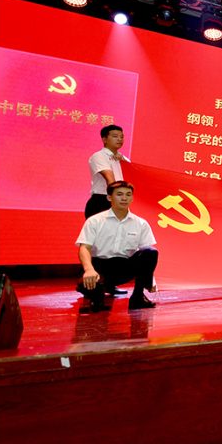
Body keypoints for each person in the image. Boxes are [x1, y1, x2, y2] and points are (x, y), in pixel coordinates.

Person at [75, 181, 158, 313]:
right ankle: (96, 296)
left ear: (132, 198)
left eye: (128, 195)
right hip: (99, 266)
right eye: (119, 194)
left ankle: (138, 297)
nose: (124, 198)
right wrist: (89, 270)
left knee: (151, 251)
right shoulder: (95, 221)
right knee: (92, 293)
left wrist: (150, 279)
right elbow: (84, 247)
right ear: (109, 197)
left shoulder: (141, 223)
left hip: (124, 266)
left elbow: (147, 256)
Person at [86, 124, 127, 219]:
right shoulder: (99, 156)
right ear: (104, 139)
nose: (119, 139)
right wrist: (115, 197)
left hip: (119, 200)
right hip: (102, 201)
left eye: (121, 137)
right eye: (115, 136)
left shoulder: (124, 159)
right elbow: (109, 178)